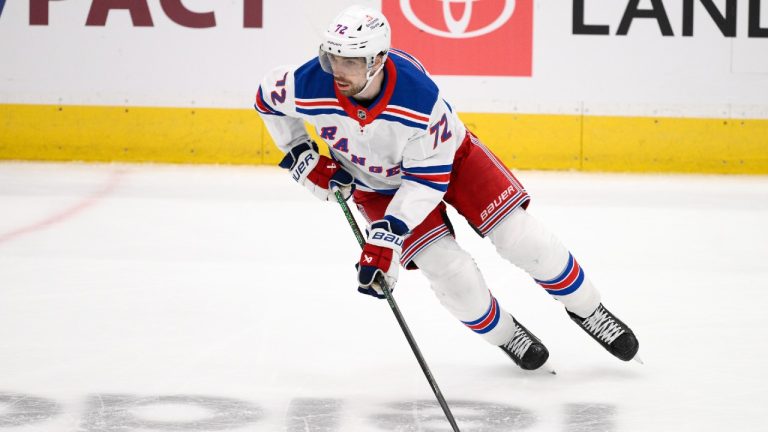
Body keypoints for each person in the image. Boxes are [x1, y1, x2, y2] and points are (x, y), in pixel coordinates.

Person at [254, 5, 639, 370]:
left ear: (378, 61)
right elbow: (265, 99)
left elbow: (426, 180)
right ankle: (508, 335)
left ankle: (589, 309)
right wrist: (300, 154)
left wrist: (387, 235)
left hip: (453, 164)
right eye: (333, 57)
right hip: (376, 186)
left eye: (351, 61)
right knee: (453, 277)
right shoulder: (308, 83)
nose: (338, 70)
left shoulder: (419, 101)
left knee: (524, 240)